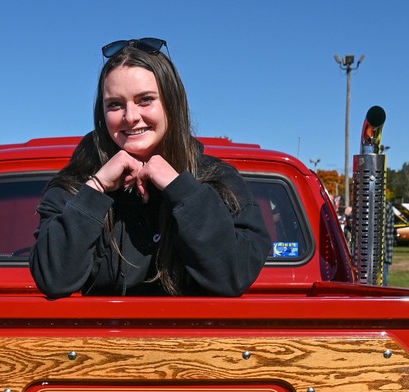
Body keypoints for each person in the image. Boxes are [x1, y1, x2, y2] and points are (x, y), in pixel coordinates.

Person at [30, 37, 270, 297]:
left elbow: (232, 275)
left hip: (196, 338)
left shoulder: (219, 180)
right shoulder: (75, 185)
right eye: (115, 104)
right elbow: (53, 279)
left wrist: (181, 189)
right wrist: (96, 188)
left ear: (172, 103)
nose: (130, 117)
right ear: (101, 112)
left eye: (145, 100)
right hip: (102, 338)